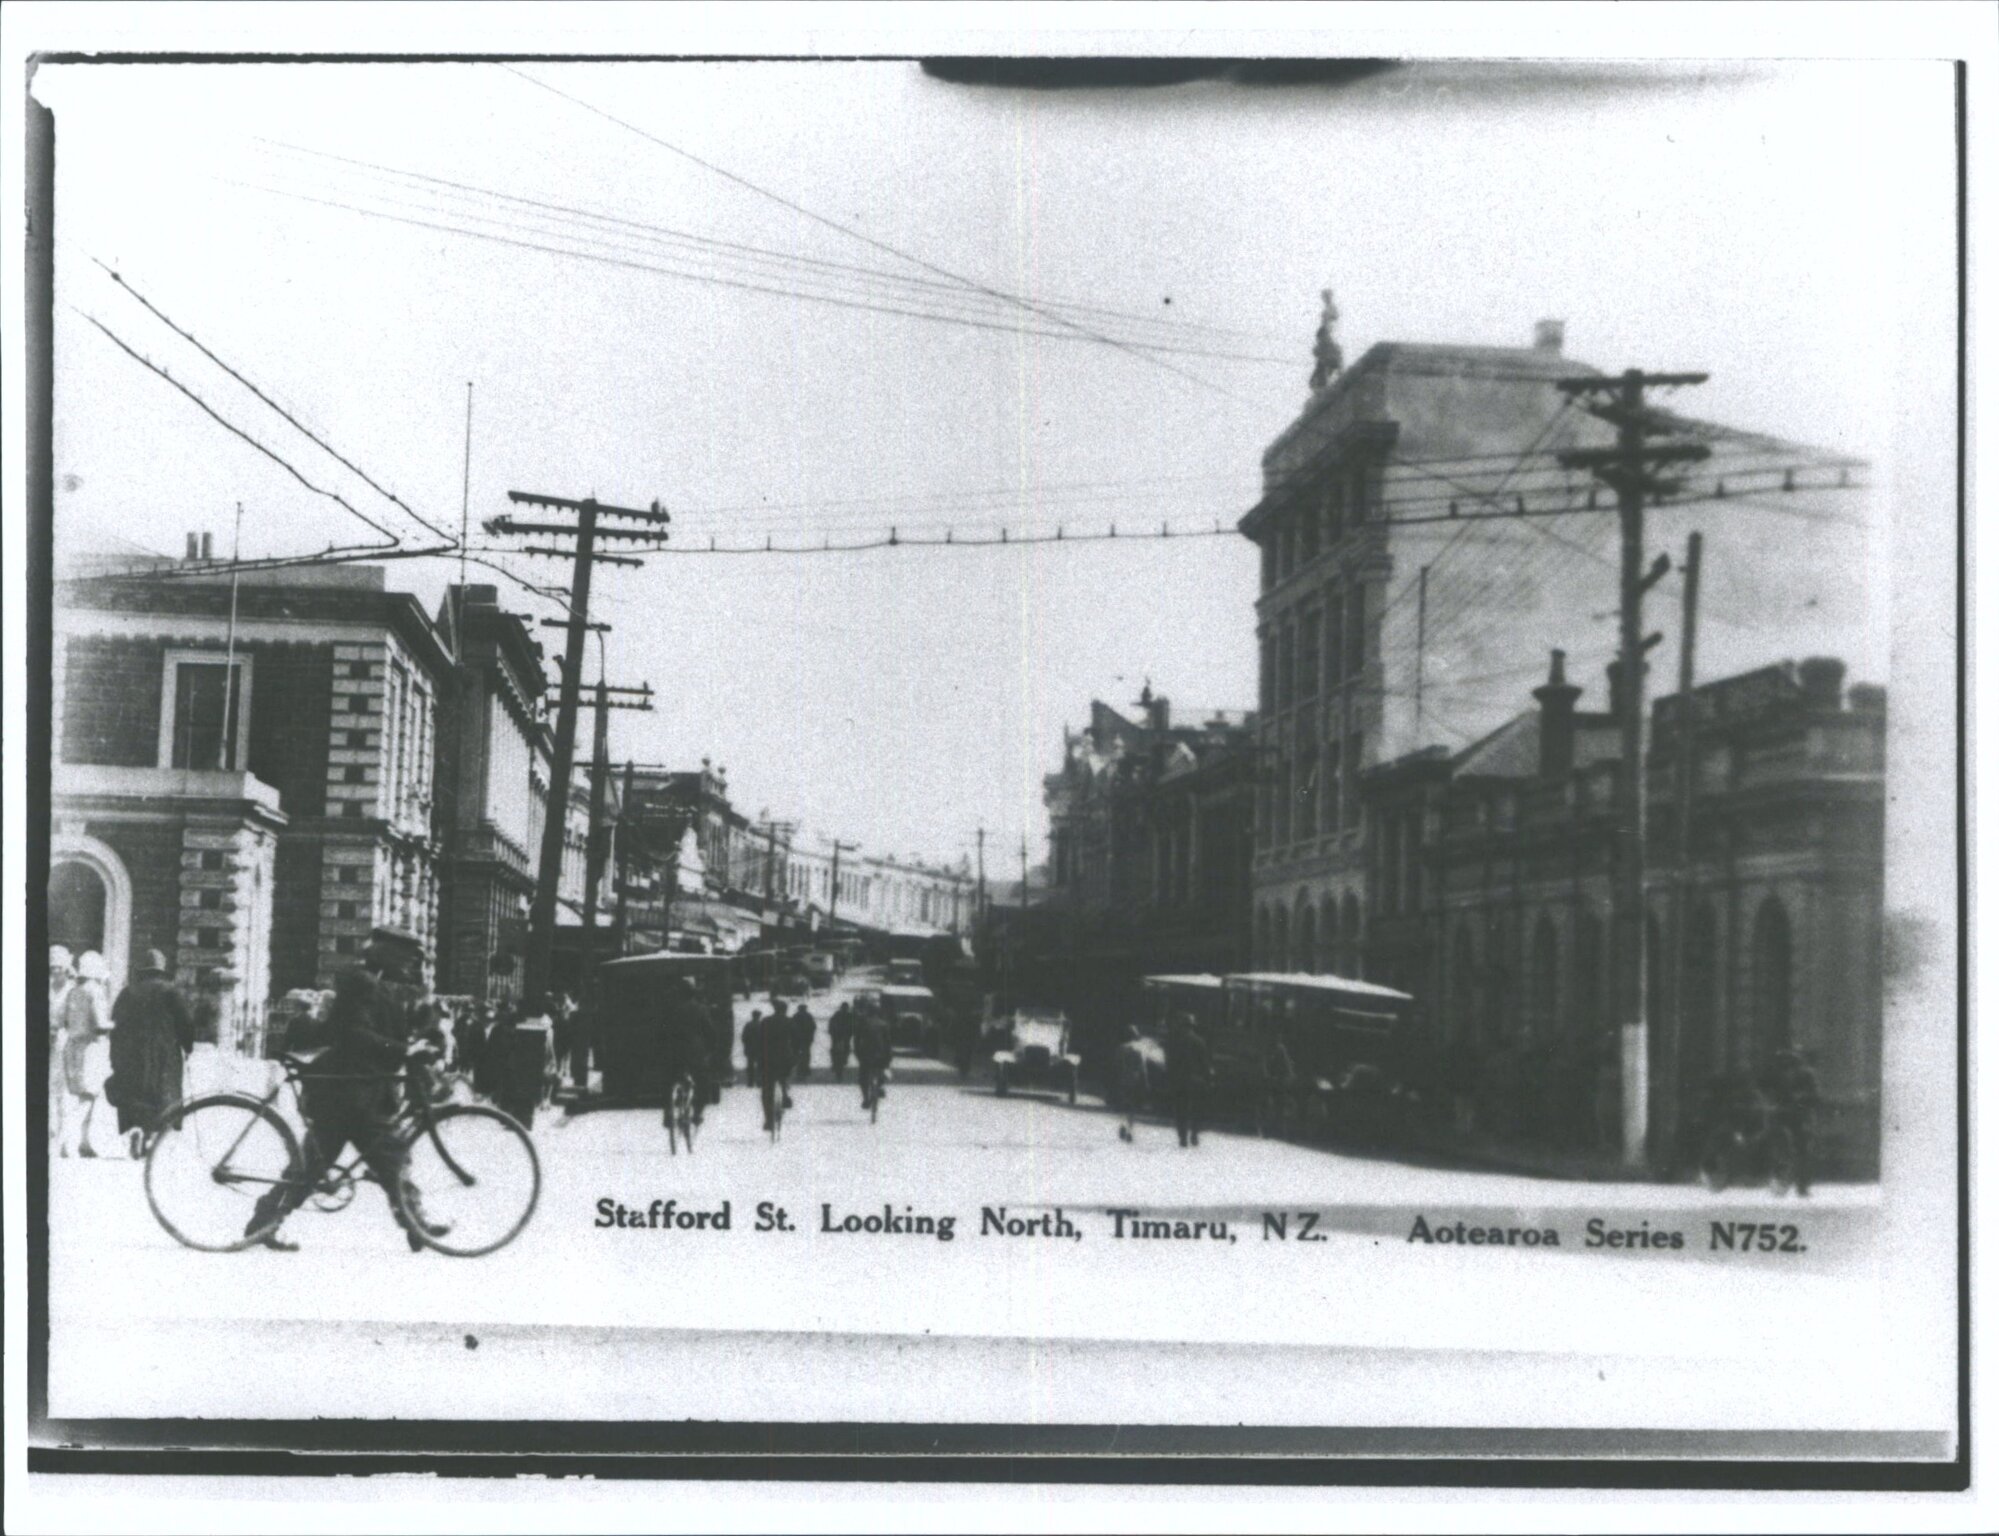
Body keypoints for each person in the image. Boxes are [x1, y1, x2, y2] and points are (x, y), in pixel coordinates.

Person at [247, 928, 447, 1253]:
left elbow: (408, 1021)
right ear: (389, 957)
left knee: (319, 1165)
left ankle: (263, 1222)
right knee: (389, 1156)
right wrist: (404, 1050)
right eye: (408, 960)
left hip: (354, 1092)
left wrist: (423, 1042)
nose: (412, 967)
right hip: (349, 1094)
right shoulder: (362, 986)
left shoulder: (382, 988)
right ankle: (415, 1221)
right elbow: (357, 1034)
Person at [108, 949, 197, 1157]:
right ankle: (151, 1138)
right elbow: (186, 1023)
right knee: (162, 1096)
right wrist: (187, 1045)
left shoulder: (127, 993)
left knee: (134, 1094)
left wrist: (115, 1055)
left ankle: (136, 1129)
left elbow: (116, 1026)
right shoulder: (171, 992)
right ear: (161, 970)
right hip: (164, 1055)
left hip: (131, 1055)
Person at [59, 950, 115, 1158]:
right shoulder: (95, 991)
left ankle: (84, 1142)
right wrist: (117, 1025)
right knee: (88, 1097)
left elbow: (66, 1020)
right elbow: (100, 1023)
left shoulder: (73, 991)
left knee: (85, 1095)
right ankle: (67, 1141)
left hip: (72, 1046)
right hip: (91, 1048)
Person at [1766, 1048, 1823, 1195]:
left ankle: (1799, 1185)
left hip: (1799, 1115)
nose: (1789, 1068)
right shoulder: (1777, 1076)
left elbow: (1815, 1096)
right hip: (1786, 1115)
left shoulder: (1806, 1075)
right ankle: (1785, 1181)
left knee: (1800, 1150)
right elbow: (1770, 1094)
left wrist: (1801, 1098)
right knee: (1786, 1150)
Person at [660, 978, 713, 1129]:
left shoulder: (669, 1009)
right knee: (703, 1082)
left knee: (667, 1082)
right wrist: (710, 1050)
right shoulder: (700, 1009)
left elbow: (661, 1032)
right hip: (695, 1053)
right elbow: (710, 1032)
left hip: (673, 1051)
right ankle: (697, 1113)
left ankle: (667, 1112)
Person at [1165, 1010, 1213, 1150]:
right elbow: (1205, 1064)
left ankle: (1183, 1137)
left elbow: (1170, 1062)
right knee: (1197, 1109)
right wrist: (1208, 1079)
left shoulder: (1175, 1042)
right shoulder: (1199, 1041)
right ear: (1192, 1026)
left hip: (1180, 1081)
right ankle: (1194, 1134)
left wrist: (1170, 1078)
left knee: (1181, 1110)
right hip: (1197, 1082)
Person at [48, 946, 74, 1150]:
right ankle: (49, 1128)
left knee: (63, 1089)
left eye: (60, 967)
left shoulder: (72, 990)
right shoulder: (46, 987)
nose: (56, 971)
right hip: (45, 1038)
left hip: (64, 1041)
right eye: (52, 967)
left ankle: (64, 1136)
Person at [757, 1000, 796, 1134]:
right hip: (786, 1058)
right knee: (786, 1075)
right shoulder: (790, 1022)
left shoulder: (766, 1022)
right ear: (785, 1010)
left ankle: (768, 1119)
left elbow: (759, 1040)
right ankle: (785, 1095)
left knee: (767, 1090)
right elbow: (797, 1039)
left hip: (768, 1059)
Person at [853, 1000, 892, 1112]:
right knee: (884, 1071)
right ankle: (880, 1087)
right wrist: (888, 1059)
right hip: (880, 1057)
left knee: (862, 1078)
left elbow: (856, 1041)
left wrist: (858, 1054)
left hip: (866, 1056)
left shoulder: (862, 1023)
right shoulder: (884, 1024)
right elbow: (888, 1043)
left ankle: (866, 1099)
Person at [790, 1003, 817, 1085]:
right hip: (806, 1039)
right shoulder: (808, 1016)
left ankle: (800, 1069)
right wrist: (811, 1036)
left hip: (797, 1040)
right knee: (806, 1054)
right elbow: (813, 1027)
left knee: (797, 1054)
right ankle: (804, 1068)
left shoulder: (795, 1016)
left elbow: (791, 1027)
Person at [828, 1002, 855, 1083]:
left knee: (839, 1051)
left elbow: (853, 1026)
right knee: (837, 1051)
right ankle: (837, 1063)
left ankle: (837, 1063)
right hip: (838, 1037)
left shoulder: (845, 1015)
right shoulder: (841, 1015)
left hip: (841, 1038)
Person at [741, 1009, 765, 1090]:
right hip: (760, 1048)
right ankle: (759, 1081)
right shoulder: (762, 1025)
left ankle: (750, 1081)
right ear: (759, 1016)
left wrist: (746, 1046)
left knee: (750, 1065)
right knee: (760, 1066)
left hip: (750, 1048)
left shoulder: (748, 1025)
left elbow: (744, 1037)